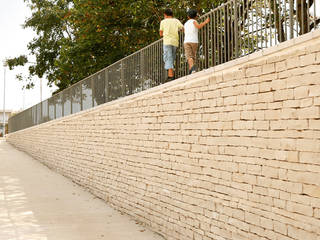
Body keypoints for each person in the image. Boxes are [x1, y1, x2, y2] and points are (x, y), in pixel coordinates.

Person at [160, 8, 184, 81]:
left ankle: (170, 76)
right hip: (175, 42)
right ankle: (170, 73)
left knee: (167, 57)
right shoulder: (176, 21)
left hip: (167, 41)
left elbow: (160, 33)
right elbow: (182, 29)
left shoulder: (163, 22)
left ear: (165, 15)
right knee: (172, 57)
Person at [184, 9, 210, 74]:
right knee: (193, 56)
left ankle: (192, 69)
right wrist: (205, 22)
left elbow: (184, 31)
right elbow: (198, 26)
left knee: (189, 56)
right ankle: (191, 70)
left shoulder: (185, 24)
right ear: (196, 16)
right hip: (194, 41)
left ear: (188, 16)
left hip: (187, 41)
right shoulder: (194, 21)